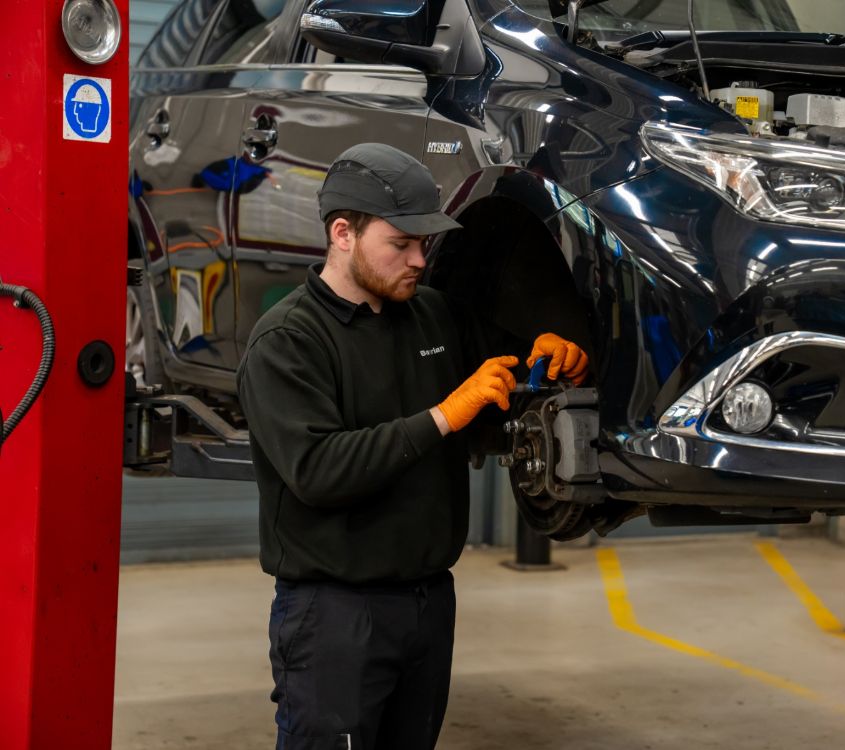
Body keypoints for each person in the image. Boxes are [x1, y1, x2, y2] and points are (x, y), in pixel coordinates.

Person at [235, 143, 588, 750]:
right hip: (334, 616)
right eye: (401, 244)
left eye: (425, 243)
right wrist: (445, 415)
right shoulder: (288, 341)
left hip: (428, 605)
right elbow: (319, 471)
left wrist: (554, 348)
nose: (420, 260)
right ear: (343, 233)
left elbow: (507, 382)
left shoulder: (434, 316)